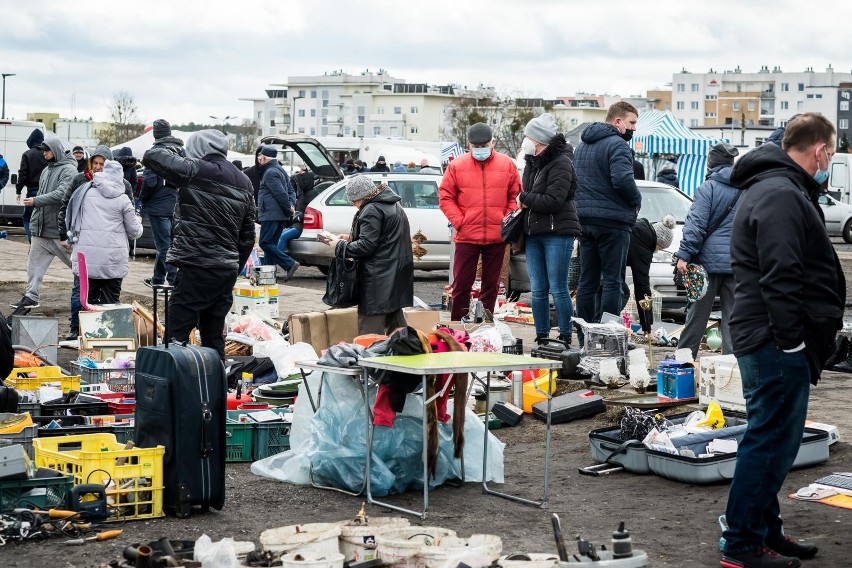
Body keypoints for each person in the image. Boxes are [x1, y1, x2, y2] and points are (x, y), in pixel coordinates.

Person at [720, 113, 844, 568]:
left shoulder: (777, 188)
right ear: (819, 150)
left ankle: (764, 530)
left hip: (771, 336)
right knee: (771, 441)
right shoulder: (780, 193)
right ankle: (742, 543)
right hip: (774, 340)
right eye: (829, 152)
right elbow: (780, 274)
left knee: (771, 438)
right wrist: (792, 341)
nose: (828, 159)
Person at [142, 129, 256, 359]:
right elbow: (247, 236)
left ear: (198, 150)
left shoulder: (196, 170)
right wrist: (234, 266)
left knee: (177, 333)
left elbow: (151, 157)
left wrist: (168, 143)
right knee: (214, 336)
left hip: (196, 264)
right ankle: (215, 388)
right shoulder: (244, 181)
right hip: (224, 270)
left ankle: (175, 386)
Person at [439, 122, 520, 321]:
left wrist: (505, 220)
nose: (480, 150)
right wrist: (460, 222)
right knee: (461, 286)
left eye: (484, 146)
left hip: (497, 236)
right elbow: (445, 196)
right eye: (476, 147)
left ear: (492, 143)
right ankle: (458, 326)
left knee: (491, 287)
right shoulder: (457, 165)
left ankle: (485, 325)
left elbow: (515, 195)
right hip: (466, 235)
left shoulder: (507, 164)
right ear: (469, 145)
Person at [573, 101, 641, 331]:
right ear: (618, 121)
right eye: (632, 123)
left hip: (585, 220)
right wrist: (636, 200)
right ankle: (606, 335)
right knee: (613, 281)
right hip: (613, 222)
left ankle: (584, 335)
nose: (634, 128)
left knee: (587, 281)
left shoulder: (582, 146)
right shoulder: (618, 145)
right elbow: (622, 180)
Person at [58, 146, 135, 340]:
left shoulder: (123, 185)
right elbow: (67, 208)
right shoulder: (81, 182)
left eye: (103, 164)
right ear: (91, 163)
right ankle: (79, 330)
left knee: (87, 294)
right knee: (83, 294)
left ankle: (94, 336)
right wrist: (65, 234)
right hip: (103, 253)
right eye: (96, 163)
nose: (99, 168)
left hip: (92, 254)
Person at [517, 113, 580, 345]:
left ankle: (565, 334)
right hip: (534, 232)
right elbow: (533, 195)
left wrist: (524, 198)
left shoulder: (562, 162)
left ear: (539, 139)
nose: (524, 140)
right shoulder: (531, 162)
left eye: (527, 136)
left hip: (558, 232)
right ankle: (542, 334)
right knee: (538, 288)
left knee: (558, 287)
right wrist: (527, 199)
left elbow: (553, 200)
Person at [675, 142, 740, 359]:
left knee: (697, 317)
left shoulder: (708, 188)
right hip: (736, 263)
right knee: (733, 320)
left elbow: (696, 224)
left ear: (711, 163)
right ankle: (732, 370)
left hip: (706, 265)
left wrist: (684, 255)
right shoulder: (746, 188)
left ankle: (683, 363)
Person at [336, 175, 413, 335]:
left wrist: (340, 246)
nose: (354, 205)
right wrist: (351, 239)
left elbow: (366, 246)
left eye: (353, 201)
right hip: (395, 275)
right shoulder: (393, 204)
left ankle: (370, 358)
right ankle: (404, 352)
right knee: (397, 327)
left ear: (360, 197)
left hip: (378, 278)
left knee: (370, 331)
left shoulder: (371, 209)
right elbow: (384, 239)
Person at [10, 133, 76, 315]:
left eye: (47, 151)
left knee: (77, 266)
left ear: (55, 150)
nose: (44, 154)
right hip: (41, 230)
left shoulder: (69, 170)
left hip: (57, 231)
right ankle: (31, 296)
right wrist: (35, 217)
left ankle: (93, 290)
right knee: (33, 266)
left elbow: (63, 194)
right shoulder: (47, 170)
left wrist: (36, 201)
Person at [65, 161, 142, 304]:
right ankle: (108, 327)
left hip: (86, 258)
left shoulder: (85, 192)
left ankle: (77, 327)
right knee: (110, 305)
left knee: (86, 302)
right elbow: (134, 232)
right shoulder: (123, 199)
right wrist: (138, 221)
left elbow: (72, 217)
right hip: (113, 260)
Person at [140, 119, 184, 289]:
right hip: (178, 204)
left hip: (159, 205)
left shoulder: (154, 153)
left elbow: (149, 181)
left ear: (155, 134)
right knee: (172, 244)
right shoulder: (181, 151)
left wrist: (143, 199)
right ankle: (158, 279)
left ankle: (172, 281)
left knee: (164, 246)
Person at [626, 215, 675, 335]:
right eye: (659, 248)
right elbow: (642, 289)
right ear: (657, 241)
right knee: (620, 292)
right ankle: (606, 326)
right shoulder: (644, 248)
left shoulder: (639, 229)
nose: (657, 251)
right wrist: (647, 327)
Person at [256, 145, 298, 281]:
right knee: (271, 245)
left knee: (265, 243)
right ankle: (267, 278)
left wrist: (289, 207)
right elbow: (291, 191)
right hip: (279, 215)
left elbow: (280, 193)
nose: (258, 158)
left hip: (270, 214)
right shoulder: (280, 170)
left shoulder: (270, 172)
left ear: (263, 157)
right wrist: (290, 205)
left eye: (259, 156)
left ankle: (289, 263)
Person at [16, 128, 49, 243]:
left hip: (32, 191)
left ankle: (32, 241)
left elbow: (23, 174)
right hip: (47, 192)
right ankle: (42, 243)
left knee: (28, 218)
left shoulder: (27, 154)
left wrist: (18, 190)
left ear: (30, 141)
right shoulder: (48, 153)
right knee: (44, 219)